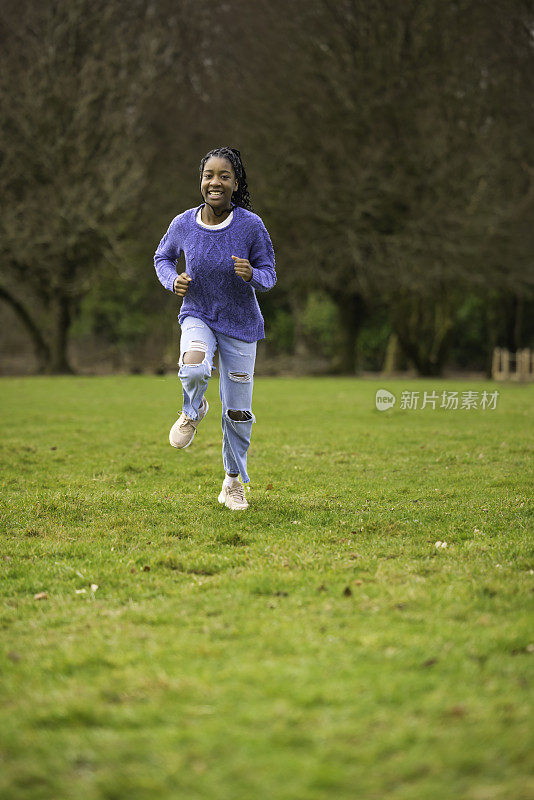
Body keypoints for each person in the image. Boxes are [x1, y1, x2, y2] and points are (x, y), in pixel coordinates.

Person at [154, 147, 276, 511]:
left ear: (236, 184)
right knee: (192, 366)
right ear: (201, 180)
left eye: (224, 176)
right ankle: (193, 410)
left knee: (238, 412)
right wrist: (171, 279)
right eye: (209, 175)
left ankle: (233, 482)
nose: (215, 182)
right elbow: (162, 257)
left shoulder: (251, 225)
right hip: (198, 313)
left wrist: (252, 275)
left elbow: (270, 275)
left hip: (240, 323)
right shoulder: (182, 223)